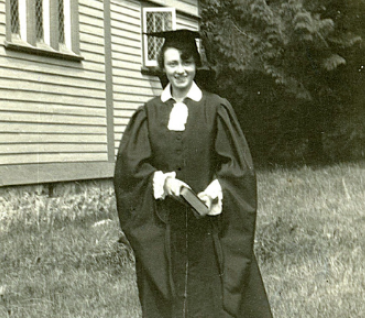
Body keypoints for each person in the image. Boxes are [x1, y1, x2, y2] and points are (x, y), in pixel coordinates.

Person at [114, 30, 273, 318]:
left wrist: (214, 192)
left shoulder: (216, 108)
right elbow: (131, 171)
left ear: (197, 65)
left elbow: (237, 168)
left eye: (186, 62)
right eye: (172, 63)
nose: (180, 70)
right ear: (163, 67)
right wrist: (164, 183)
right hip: (167, 230)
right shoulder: (148, 113)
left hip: (209, 228)